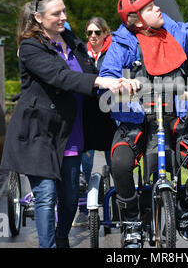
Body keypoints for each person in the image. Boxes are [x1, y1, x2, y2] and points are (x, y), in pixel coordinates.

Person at [99, 0, 188, 246]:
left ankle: (185, 206)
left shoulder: (176, 33)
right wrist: (118, 83)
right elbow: (108, 74)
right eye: (150, 8)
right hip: (135, 121)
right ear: (136, 20)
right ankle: (132, 222)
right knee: (120, 164)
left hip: (172, 119)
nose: (159, 9)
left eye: (156, 5)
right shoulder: (121, 44)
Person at [0, 0, 125, 248]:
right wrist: (99, 80)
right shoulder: (30, 46)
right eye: (56, 13)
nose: (63, 17)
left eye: (64, 11)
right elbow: (60, 76)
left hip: (71, 132)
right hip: (40, 133)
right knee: (45, 196)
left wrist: (115, 79)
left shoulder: (72, 40)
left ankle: (60, 237)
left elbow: (90, 69)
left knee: (69, 199)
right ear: (38, 17)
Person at [73, 17, 116, 227]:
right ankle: (83, 211)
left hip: (110, 115)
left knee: (115, 164)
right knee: (85, 167)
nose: (92, 36)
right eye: (89, 32)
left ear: (105, 33)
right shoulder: (82, 53)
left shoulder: (113, 52)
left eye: (97, 32)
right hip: (88, 115)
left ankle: (119, 209)